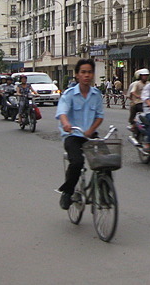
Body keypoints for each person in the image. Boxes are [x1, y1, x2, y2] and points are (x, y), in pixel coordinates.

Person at [55, 59, 104, 210]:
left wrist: (91, 130)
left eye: (89, 72)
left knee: (106, 160)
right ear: (77, 75)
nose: (86, 75)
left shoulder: (96, 94)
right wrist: (66, 123)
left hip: (90, 135)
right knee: (77, 162)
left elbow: (100, 116)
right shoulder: (69, 94)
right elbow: (62, 112)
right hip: (73, 136)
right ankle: (67, 192)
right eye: (83, 72)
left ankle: (104, 190)